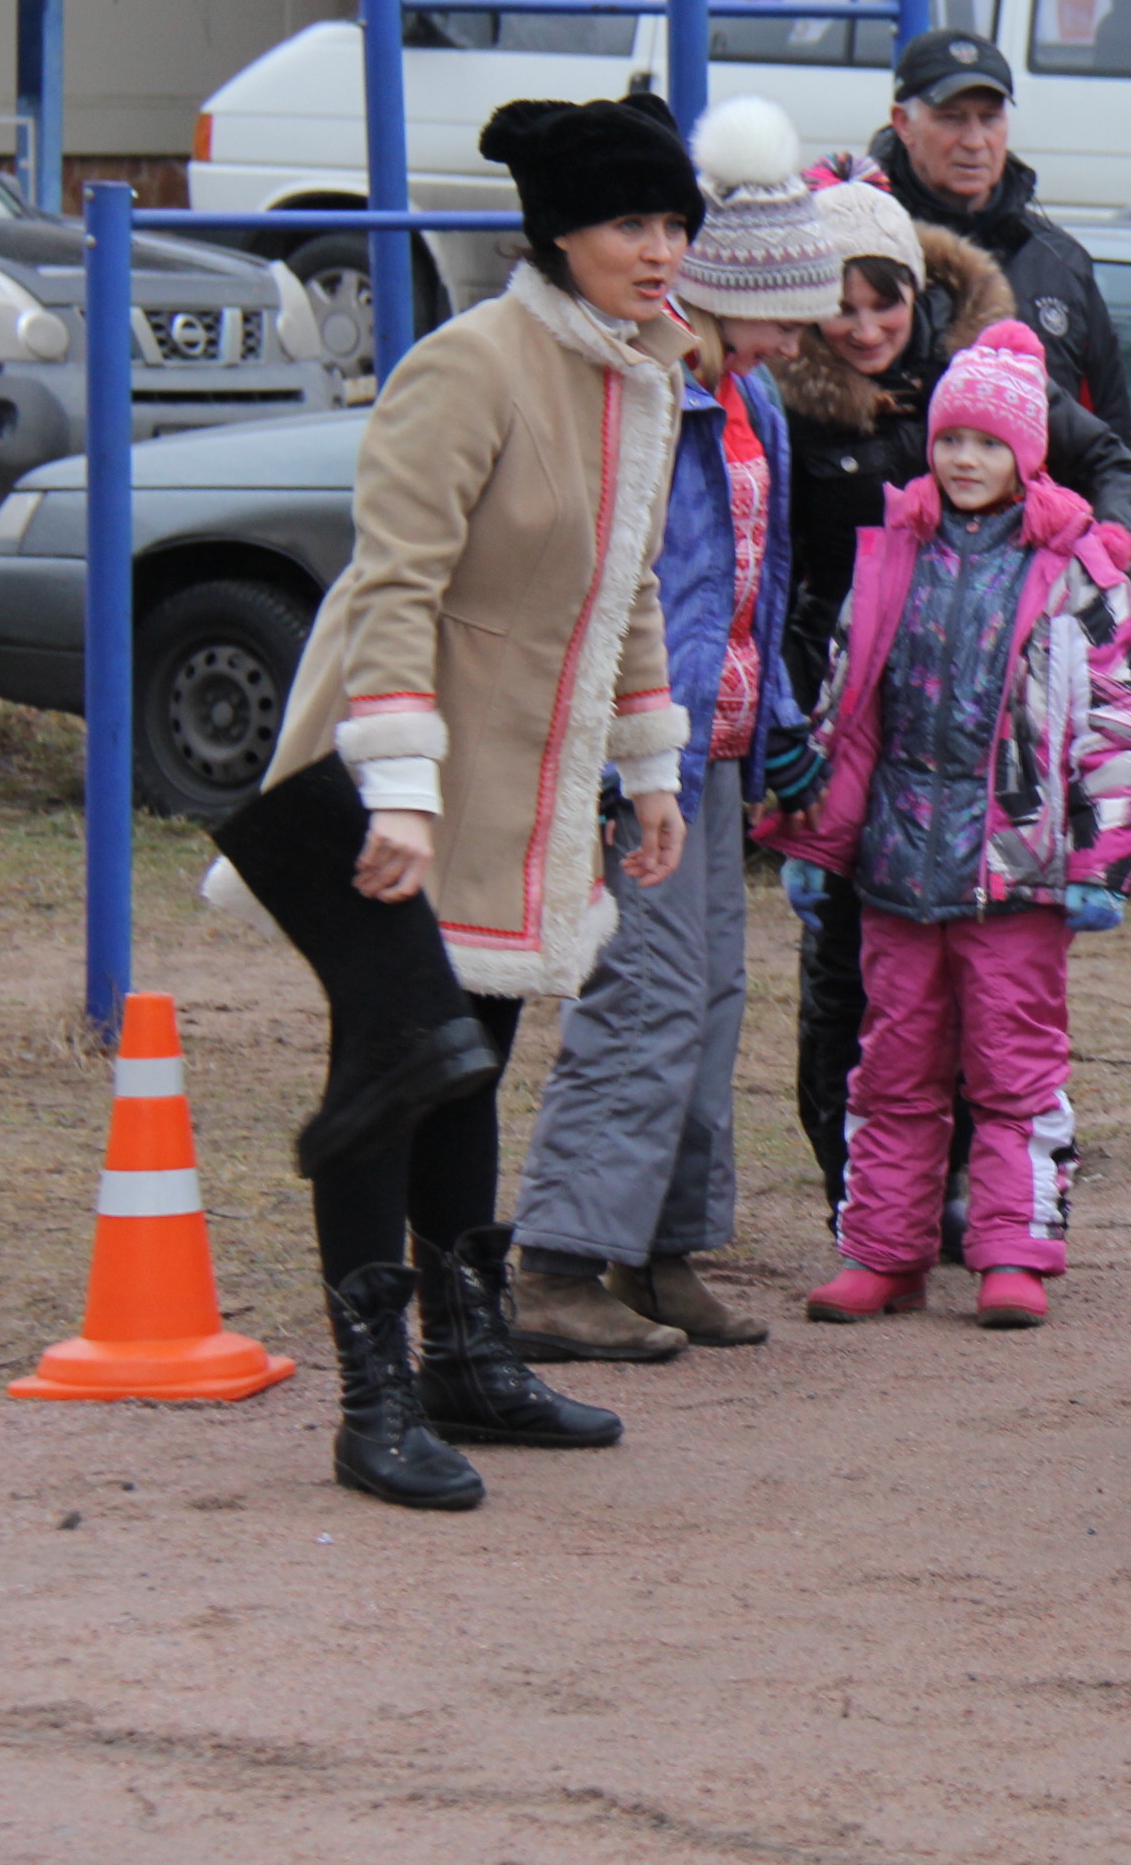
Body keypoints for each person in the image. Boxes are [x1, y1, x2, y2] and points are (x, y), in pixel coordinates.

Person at [202, 94, 702, 1512]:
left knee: (470, 1053)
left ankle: (468, 1358)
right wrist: (400, 792)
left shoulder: (642, 374)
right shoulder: (468, 366)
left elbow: (631, 586)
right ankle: (374, 1401)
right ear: (555, 233)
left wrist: (649, 765)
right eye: (629, 223)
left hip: (520, 772)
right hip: (390, 757)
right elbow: (397, 584)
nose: (660, 251)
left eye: (673, 224)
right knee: (396, 1058)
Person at [506, 97, 829, 1362]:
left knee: (711, 996)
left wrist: (782, 720)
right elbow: (624, 588)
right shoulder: (649, 395)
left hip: (719, 753)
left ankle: (663, 1247)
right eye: (792, 301)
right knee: (641, 998)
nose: (809, 329)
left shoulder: (758, 409)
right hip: (637, 754)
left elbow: (758, 588)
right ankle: (558, 1262)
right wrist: (619, 747)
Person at [777, 176, 1131, 1222]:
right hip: (852, 730)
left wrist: (1113, 548)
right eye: (841, 306)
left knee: (994, 1005)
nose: (863, 329)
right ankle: (865, 1206)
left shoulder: (976, 385)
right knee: (854, 992)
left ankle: (989, 1204)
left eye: (884, 304)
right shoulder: (789, 399)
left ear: (918, 297)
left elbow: (1099, 454)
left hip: (994, 766)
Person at [850, 26, 1131, 445]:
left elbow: (1110, 442)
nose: (975, 141)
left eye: (990, 118)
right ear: (903, 124)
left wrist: (1116, 511)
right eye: (951, 118)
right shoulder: (857, 246)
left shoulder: (1058, 261)